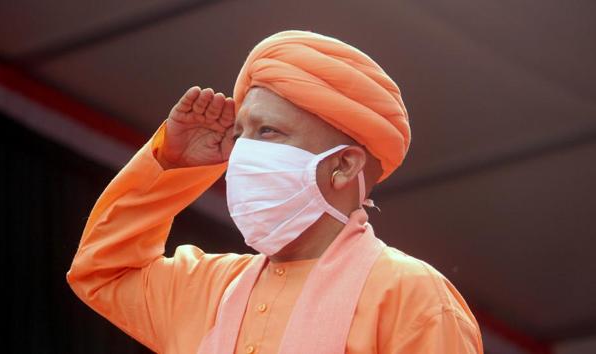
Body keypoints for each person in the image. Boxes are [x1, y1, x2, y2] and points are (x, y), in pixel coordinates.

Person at [67, 30, 484, 354]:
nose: (244, 152)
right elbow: (105, 271)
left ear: (343, 165)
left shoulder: (409, 295)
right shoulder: (211, 288)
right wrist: (172, 164)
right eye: (240, 134)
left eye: (268, 132)